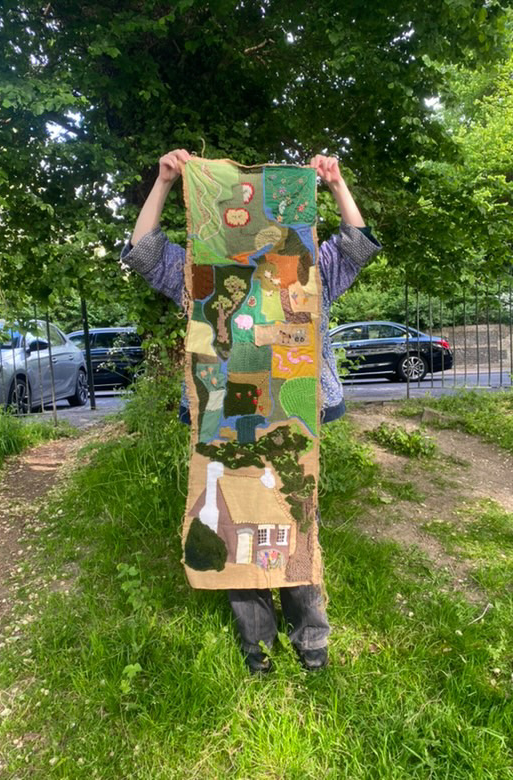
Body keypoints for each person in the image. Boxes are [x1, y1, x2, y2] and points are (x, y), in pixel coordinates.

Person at [120, 149, 382, 673]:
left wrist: (336, 184)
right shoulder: (201, 272)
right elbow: (144, 252)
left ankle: (311, 642)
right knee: (235, 517)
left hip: (292, 414)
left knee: (294, 514)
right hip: (221, 415)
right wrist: (165, 181)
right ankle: (257, 647)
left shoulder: (309, 269)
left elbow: (356, 245)